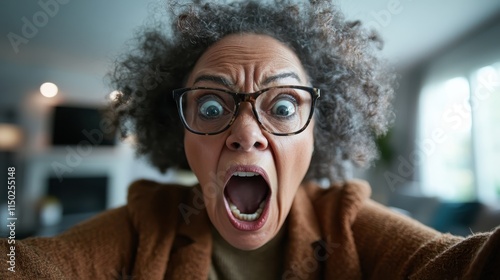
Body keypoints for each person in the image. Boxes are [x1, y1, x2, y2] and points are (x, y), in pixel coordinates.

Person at [1, 0, 499, 279]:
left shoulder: (346, 222)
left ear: (316, 132)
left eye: (283, 108)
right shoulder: (143, 225)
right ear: (182, 135)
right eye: (212, 107)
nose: (245, 134)